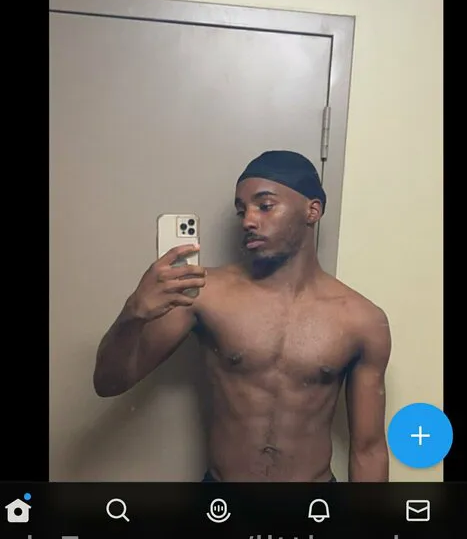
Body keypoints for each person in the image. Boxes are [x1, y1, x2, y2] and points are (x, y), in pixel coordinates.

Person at [94, 150, 391, 482]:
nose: (248, 221)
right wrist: (133, 312)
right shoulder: (203, 293)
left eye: (265, 206)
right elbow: (108, 383)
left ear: (313, 210)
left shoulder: (362, 320)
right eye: (242, 210)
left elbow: (369, 450)